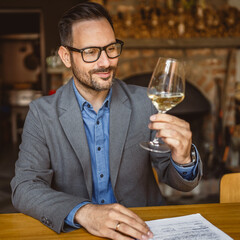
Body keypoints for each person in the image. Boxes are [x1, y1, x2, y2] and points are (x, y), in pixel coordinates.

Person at [11, 1, 202, 240]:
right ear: (66, 56)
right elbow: (25, 187)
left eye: (111, 48)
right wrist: (84, 212)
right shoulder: (42, 113)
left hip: (143, 231)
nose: (106, 62)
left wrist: (183, 160)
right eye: (90, 52)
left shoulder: (146, 102)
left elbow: (180, 183)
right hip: (78, 233)